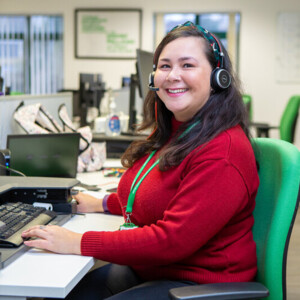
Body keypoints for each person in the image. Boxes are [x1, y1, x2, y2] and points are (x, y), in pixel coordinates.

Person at [21, 21, 259, 300]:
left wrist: (78, 242)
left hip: (201, 283)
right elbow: (157, 194)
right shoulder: (176, 130)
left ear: (219, 77)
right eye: (165, 65)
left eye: (187, 65)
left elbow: (172, 240)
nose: (172, 75)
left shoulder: (222, 151)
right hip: (158, 270)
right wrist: (104, 203)